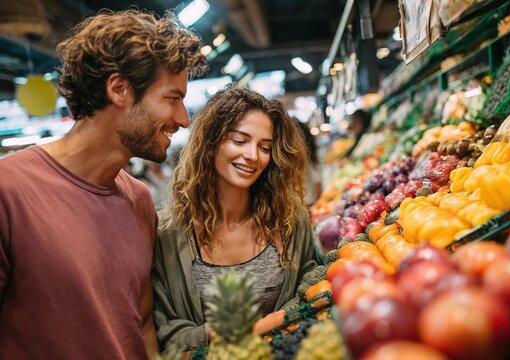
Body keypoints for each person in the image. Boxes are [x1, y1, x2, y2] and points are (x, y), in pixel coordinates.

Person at [0, 10, 206, 359]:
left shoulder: (139, 199)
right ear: (119, 89)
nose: (183, 119)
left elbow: (141, 326)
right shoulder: (10, 191)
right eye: (172, 99)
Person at [153, 87, 321, 352]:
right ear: (211, 143)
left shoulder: (290, 221)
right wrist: (208, 334)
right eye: (240, 141)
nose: (253, 156)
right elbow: (161, 327)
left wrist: (278, 323)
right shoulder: (169, 236)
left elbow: (312, 288)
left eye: (264, 147)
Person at [296, 119, 322, 206]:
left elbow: (317, 183)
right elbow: (317, 182)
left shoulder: (305, 158)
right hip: (307, 202)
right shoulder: (311, 156)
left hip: (305, 204)